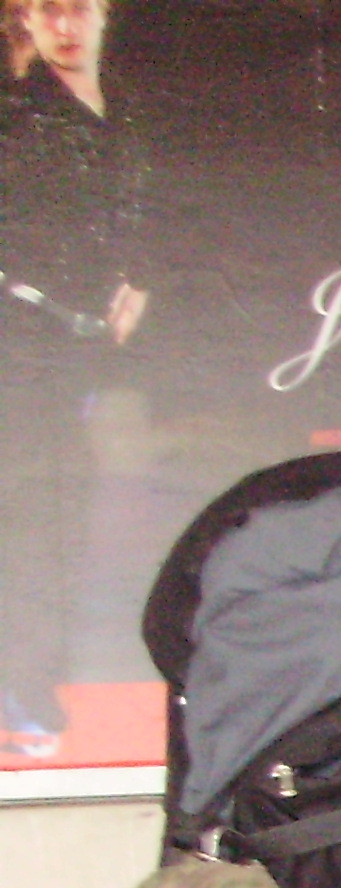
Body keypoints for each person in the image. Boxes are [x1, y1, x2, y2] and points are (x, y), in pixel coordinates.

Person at [0, 0, 152, 754]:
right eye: (47, 10)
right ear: (25, 20)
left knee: (70, 518)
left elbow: (148, 218)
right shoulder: (17, 114)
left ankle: (34, 682)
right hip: (23, 342)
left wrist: (140, 281)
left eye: (78, 9)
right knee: (29, 516)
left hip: (93, 352)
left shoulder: (128, 110)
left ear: (103, 15)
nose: (65, 26)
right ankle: (23, 691)